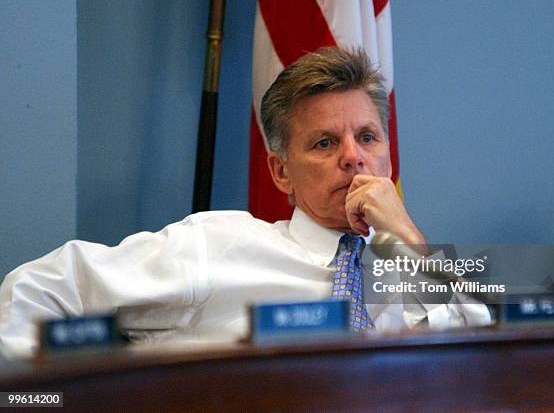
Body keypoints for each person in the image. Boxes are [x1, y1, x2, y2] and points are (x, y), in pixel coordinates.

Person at [0, 47, 490, 358]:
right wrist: (41, 401)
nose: (353, 158)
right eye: (324, 143)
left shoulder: (415, 271)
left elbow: (488, 354)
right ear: (281, 173)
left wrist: (407, 242)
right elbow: (40, 288)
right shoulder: (216, 245)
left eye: (367, 137)